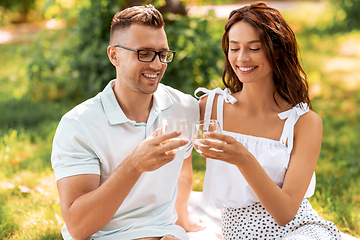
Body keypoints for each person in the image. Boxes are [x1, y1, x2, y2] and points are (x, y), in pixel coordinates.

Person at [51, 5, 203, 240]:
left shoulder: (185, 108)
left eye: (162, 54)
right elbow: (78, 227)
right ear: (114, 55)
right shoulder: (78, 125)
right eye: (144, 53)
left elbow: (183, 172)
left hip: (164, 232)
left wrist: (182, 222)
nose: (156, 64)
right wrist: (135, 165)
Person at [194, 1, 341, 239]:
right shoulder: (210, 107)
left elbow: (285, 213)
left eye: (254, 48)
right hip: (237, 231)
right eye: (234, 48)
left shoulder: (304, 122)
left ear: (277, 51)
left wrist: (243, 159)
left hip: (300, 230)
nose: (242, 58)